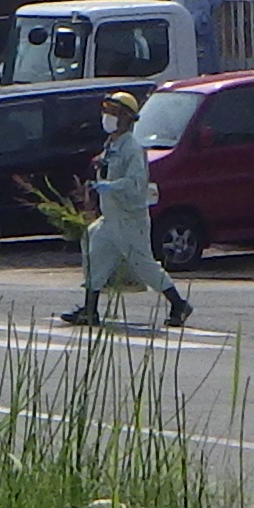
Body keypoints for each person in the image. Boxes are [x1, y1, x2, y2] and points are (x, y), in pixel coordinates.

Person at [61, 91, 192, 330]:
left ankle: (179, 304)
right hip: (111, 218)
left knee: (144, 263)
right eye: (107, 111)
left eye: (114, 113)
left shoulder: (132, 148)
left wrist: (109, 186)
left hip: (130, 219)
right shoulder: (112, 145)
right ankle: (90, 310)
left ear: (126, 118)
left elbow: (135, 184)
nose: (107, 117)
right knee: (94, 246)